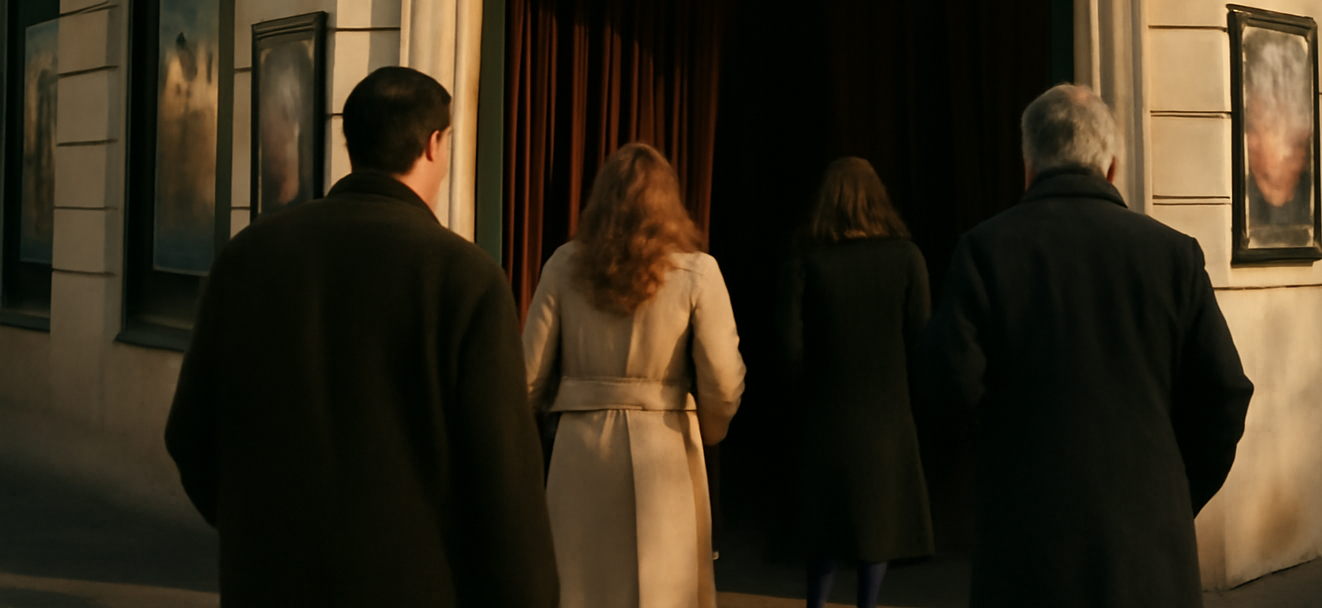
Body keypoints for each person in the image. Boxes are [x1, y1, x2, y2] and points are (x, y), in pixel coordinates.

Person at [164, 67, 558, 608]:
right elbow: (504, 480)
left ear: (351, 143)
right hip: (416, 585)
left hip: (269, 583)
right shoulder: (464, 277)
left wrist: (258, 529)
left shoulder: (248, 258)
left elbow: (189, 434)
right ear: (435, 144)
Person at [919, 84, 1253, 608]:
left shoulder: (984, 251)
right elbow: (1225, 395)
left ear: (1028, 166)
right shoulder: (1173, 257)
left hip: (1026, 550)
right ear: (1112, 167)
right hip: (1148, 552)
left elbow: (947, 389)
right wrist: (1172, 494)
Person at [523, 142, 747, 608]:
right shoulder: (698, 273)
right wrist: (709, 430)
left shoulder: (564, 266)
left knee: (581, 590)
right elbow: (723, 381)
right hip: (665, 448)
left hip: (580, 452)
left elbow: (527, 376)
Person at [777, 157, 933, 608]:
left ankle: (815, 604)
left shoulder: (804, 259)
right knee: (878, 524)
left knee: (823, 525)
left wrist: (799, 396)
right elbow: (922, 337)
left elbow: (787, 346)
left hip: (823, 411)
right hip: (887, 415)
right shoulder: (906, 257)